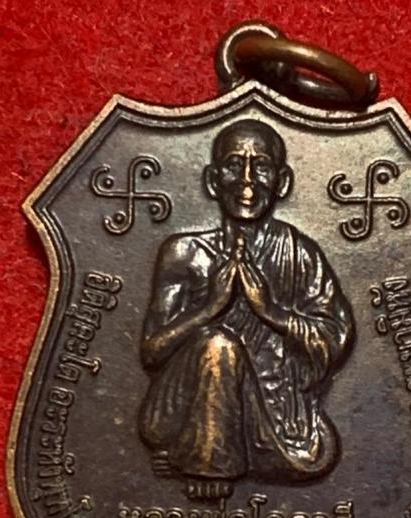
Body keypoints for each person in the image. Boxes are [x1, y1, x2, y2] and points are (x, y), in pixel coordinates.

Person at [139, 119, 353, 493]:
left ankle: (201, 453)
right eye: (234, 165)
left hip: (272, 412)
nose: (247, 181)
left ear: (282, 182)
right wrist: (209, 308)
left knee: (316, 452)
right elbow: (152, 352)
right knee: (218, 345)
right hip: (179, 409)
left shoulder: (299, 254)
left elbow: (334, 337)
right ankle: (208, 466)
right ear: (212, 180)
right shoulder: (183, 253)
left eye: (262, 166)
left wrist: (271, 312)